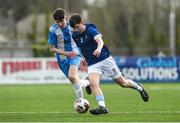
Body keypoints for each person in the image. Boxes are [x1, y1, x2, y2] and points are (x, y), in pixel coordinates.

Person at [69, 14, 149, 115]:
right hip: (92, 63)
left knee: (123, 83)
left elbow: (100, 41)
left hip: (105, 59)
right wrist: (84, 58)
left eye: (78, 27)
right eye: (74, 28)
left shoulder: (90, 29)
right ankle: (102, 106)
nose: (77, 29)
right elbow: (82, 48)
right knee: (95, 85)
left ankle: (139, 88)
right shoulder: (75, 35)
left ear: (81, 22)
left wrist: (98, 49)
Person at [48, 8, 92, 100]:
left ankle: (81, 101)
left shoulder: (73, 26)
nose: (60, 24)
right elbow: (52, 48)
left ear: (65, 17)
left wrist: (86, 56)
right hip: (62, 58)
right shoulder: (53, 30)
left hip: (75, 54)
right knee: (74, 80)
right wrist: (66, 53)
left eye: (62, 21)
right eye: (57, 22)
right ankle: (87, 83)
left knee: (72, 76)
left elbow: (82, 40)